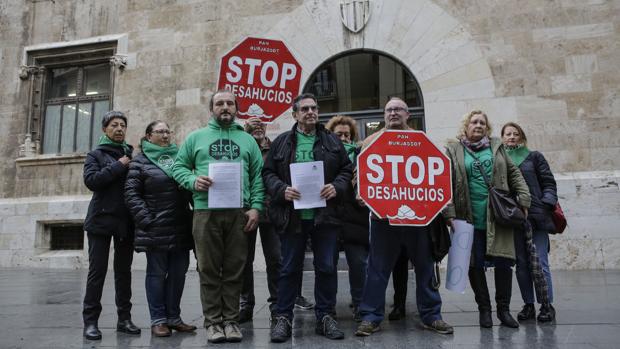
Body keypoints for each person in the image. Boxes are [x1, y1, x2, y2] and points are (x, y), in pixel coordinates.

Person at [355, 97, 453, 337]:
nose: (393, 113)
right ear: (384, 115)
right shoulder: (370, 141)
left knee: (425, 268)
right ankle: (371, 316)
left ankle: (432, 315)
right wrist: (360, 190)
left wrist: (444, 204)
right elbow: (359, 174)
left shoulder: (423, 140)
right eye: (389, 110)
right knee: (377, 269)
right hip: (382, 219)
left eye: (398, 109)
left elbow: (438, 174)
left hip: (419, 220)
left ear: (408, 114)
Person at [172, 90, 264, 343]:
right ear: (211, 109)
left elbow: (258, 177)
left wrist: (256, 207)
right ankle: (213, 322)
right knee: (209, 269)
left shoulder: (247, 141)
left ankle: (231, 320)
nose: (225, 107)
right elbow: (178, 167)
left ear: (237, 109)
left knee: (236, 269)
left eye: (230, 103)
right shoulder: (196, 138)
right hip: (205, 212)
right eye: (219, 103)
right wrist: (192, 180)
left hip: (239, 212)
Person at [263, 93, 352, 342]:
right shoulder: (281, 142)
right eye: (305, 109)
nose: (311, 112)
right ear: (295, 114)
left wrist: (337, 186)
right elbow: (268, 173)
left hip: (326, 217)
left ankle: (325, 317)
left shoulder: (332, 140)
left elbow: (346, 169)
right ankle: (283, 318)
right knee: (289, 268)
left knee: (326, 267)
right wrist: (282, 190)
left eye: (314, 108)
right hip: (292, 217)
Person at [443, 110, 531, 329]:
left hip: (498, 216)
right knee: (475, 264)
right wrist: (449, 212)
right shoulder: (453, 150)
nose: (479, 125)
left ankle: (503, 310)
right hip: (467, 217)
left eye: (482, 122)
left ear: (487, 127)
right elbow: (444, 182)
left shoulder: (496, 147)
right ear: (466, 126)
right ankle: (484, 310)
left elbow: (514, 174)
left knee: (503, 263)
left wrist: (524, 199)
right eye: (474, 122)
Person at [124, 121, 196, 337]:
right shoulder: (140, 163)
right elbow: (131, 194)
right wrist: (147, 220)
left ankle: (174, 317)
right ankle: (158, 320)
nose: (165, 135)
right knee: (156, 274)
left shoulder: (179, 159)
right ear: (148, 136)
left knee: (178, 274)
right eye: (160, 131)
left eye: (167, 131)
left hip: (181, 225)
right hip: (155, 227)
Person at [82, 111, 140, 340]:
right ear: (105, 129)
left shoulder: (131, 154)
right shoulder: (95, 154)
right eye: (114, 125)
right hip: (100, 220)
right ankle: (91, 322)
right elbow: (92, 181)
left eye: (123, 125)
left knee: (124, 273)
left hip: (125, 222)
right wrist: (119, 165)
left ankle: (124, 319)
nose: (119, 128)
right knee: (97, 272)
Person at [501, 122, 557, 322]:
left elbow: (549, 183)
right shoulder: (500, 160)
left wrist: (545, 205)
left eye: (516, 134)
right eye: (508, 134)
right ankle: (528, 305)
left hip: (536, 217)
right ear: (502, 138)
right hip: (513, 219)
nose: (512, 137)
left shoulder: (534, 157)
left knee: (540, 262)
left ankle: (547, 305)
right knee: (522, 265)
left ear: (522, 137)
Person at [325, 114, 369, 322]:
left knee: (359, 263)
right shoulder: (323, 154)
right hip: (330, 217)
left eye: (346, 134)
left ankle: (360, 304)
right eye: (338, 134)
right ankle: (328, 307)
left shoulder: (362, 156)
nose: (343, 138)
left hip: (356, 218)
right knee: (327, 264)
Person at [238, 117, 281, 323]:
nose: (258, 126)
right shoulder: (239, 147)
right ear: (245, 125)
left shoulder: (275, 148)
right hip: (245, 209)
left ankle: (277, 304)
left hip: (271, 210)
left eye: (261, 123)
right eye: (253, 123)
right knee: (244, 259)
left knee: (275, 258)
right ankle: (246, 304)